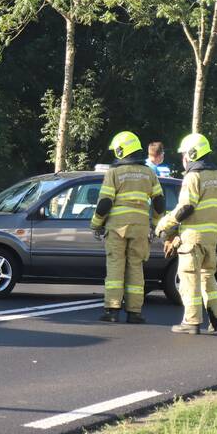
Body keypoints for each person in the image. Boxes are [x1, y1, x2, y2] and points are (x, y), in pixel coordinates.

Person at [155, 133, 217, 334]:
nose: (183, 158)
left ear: (193, 154)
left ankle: (192, 322)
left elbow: (186, 207)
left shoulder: (193, 177)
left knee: (189, 279)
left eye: (185, 154)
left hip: (193, 237)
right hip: (211, 237)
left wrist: (165, 225)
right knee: (208, 277)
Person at [91, 131, 166, 323]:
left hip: (117, 228)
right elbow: (159, 201)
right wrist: (157, 224)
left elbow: (105, 203)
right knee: (136, 267)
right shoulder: (148, 173)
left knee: (115, 267)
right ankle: (134, 312)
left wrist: (96, 224)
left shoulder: (114, 173)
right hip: (140, 228)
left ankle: (112, 311)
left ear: (120, 151)